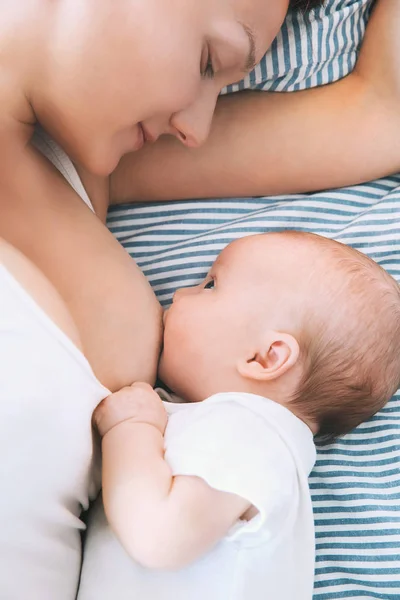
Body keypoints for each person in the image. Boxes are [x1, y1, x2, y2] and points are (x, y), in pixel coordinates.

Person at [77, 231, 400, 600]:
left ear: (265, 358)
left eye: (210, 285)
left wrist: (131, 427)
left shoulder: (252, 431)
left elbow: (160, 537)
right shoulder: (245, 437)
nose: (179, 294)